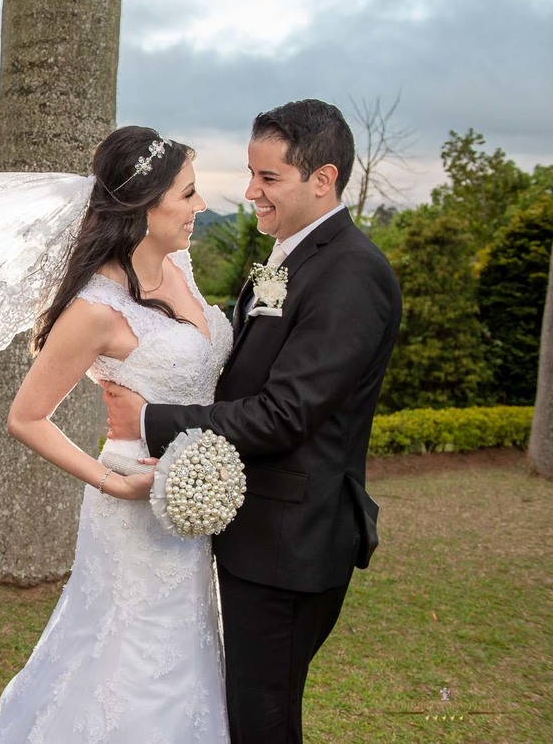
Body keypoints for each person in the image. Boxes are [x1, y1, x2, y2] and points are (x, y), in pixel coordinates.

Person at [102, 99, 402, 744]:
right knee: (249, 709)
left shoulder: (350, 273)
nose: (250, 192)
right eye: (250, 173)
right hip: (264, 532)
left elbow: (287, 413)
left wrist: (152, 418)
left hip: (295, 541)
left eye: (268, 179)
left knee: (261, 719)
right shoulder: (293, 259)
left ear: (323, 179)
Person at [0, 125, 233, 742]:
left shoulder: (179, 262)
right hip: (133, 500)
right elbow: (25, 417)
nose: (200, 206)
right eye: (188, 194)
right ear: (146, 206)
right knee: (135, 658)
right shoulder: (98, 307)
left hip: (193, 498)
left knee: (191, 646)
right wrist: (112, 483)